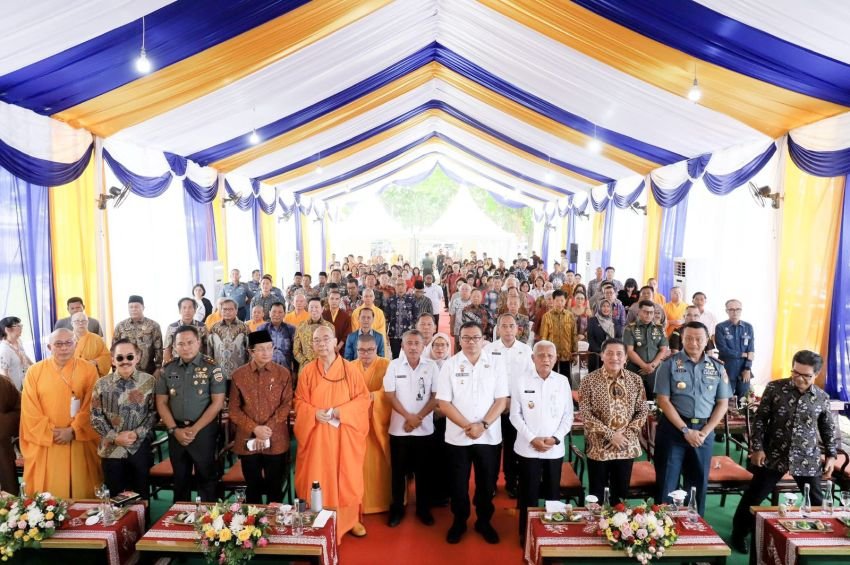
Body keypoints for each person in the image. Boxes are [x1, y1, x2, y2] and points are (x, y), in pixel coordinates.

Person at [729, 350, 836, 554]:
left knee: (816, 500)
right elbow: (760, 420)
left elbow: (827, 428)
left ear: (816, 375)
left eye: (806, 375)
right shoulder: (775, 388)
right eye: (795, 372)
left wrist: (831, 454)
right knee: (754, 496)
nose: (799, 378)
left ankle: (824, 539)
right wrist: (757, 448)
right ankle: (739, 533)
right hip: (773, 454)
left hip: (806, 457)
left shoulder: (821, 397)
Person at [294, 326, 371, 542]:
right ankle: (317, 517)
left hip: (344, 435)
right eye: (317, 340)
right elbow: (299, 402)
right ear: (312, 345)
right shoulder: (308, 371)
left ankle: (349, 519)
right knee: (318, 475)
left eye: (326, 339)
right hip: (316, 434)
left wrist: (341, 412)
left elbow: (363, 400)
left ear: (336, 341)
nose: (322, 344)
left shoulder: (350, 370)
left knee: (347, 475)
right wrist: (313, 413)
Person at [436, 322, 508, 545]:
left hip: (489, 436)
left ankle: (484, 521)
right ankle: (459, 521)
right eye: (466, 338)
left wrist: (483, 425)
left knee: (487, 483)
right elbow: (443, 403)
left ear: (483, 338)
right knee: (458, 483)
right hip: (458, 437)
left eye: (475, 337)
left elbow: (501, 401)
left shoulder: (495, 364)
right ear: (459, 339)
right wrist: (468, 426)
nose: (471, 342)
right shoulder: (450, 365)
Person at [654, 322, 731, 515]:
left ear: (707, 341)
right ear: (682, 339)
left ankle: (694, 527)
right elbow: (663, 400)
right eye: (688, 338)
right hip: (673, 430)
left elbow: (723, 403)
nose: (693, 343)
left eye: (699, 339)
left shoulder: (717, 367)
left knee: (697, 482)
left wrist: (705, 432)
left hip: (703, 433)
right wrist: (685, 430)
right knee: (667, 483)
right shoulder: (668, 364)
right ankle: (663, 527)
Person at [20, 329, 102, 498]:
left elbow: (92, 405)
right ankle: (48, 517)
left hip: (78, 439)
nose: (64, 348)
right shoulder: (34, 372)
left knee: (82, 490)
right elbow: (29, 410)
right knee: (49, 495)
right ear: (50, 347)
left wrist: (73, 430)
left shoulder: (88, 370)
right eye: (58, 344)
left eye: (68, 343)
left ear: (76, 345)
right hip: (48, 442)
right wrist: (52, 433)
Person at [510, 340, 573, 547]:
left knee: (553, 494)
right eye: (541, 355)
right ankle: (525, 534)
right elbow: (515, 416)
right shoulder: (521, 381)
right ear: (533, 358)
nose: (546, 359)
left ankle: (552, 533)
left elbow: (568, 416)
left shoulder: (563, 381)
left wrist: (555, 438)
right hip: (528, 449)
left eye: (550, 356)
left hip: (554, 449)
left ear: (555, 358)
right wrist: (532, 438)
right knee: (528, 494)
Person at [156, 325, 225, 502]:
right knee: (180, 479)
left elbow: (217, 403)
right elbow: (161, 402)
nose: (185, 347)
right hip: (176, 431)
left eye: (189, 343)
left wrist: (195, 429)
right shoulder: (167, 369)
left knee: (207, 478)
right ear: (174, 346)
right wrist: (174, 430)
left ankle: (209, 523)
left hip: (203, 432)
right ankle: (181, 522)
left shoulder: (212, 367)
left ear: (198, 343)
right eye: (181, 344)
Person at [579, 338, 647, 506]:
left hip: (626, 446)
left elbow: (643, 410)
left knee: (620, 497)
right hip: (599, 447)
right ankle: (596, 528)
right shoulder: (589, 380)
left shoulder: (635, 380)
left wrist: (625, 436)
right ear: (602, 355)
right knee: (596, 496)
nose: (614, 357)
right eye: (609, 353)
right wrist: (610, 435)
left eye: (619, 354)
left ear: (626, 358)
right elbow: (585, 414)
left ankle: (618, 529)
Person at [229, 330, 292, 504]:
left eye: (269, 348)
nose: (266, 353)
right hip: (248, 440)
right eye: (261, 349)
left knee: (275, 487)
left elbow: (287, 404)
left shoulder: (283, 373)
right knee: (253, 488)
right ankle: (253, 527)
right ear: (251, 351)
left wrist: (267, 428)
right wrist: (255, 429)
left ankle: (275, 526)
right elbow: (233, 409)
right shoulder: (239, 375)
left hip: (276, 438)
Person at [385, 330, 439, 526]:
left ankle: (423, 509)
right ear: (403, 346)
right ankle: (397, 509)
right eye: (409, 343)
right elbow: (389, 395)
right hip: (400, 429)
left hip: (424, 430)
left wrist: (419, 418)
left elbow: (436, 397)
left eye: (417, 343)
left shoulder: (432, 366)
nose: (413, 346)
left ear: (423, 345)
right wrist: (409, 418)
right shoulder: (394, 366)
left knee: (424, 472)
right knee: (398, 473)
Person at [90, 339, 156, 499]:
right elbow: (95, 416)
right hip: (111, 449)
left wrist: (137, 434)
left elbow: (154, 412)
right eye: (120, 358)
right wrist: (115, 437)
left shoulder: (149, 381)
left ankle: (143, 524)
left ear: (137, 357)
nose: (125, 361)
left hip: (138, 446)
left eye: (129, 357)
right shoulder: (101, 384)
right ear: (112, 360)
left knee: (141, 496)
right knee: (115, 497)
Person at [484, 313, 533, 499]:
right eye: (504, 326)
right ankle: (491, 483)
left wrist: (514, 401)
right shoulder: (489, 350)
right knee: (494, 446)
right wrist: (500, 401)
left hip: (516, 405)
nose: (508, 330)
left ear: (517, 329)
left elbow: (529, 379)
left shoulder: (526, 350)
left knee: (514, 446)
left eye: (511, 326)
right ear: (498, 329)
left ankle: (512, 482)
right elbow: (486, 379)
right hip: (495, 405)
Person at [353, 334, 392, 515]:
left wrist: (373, 397)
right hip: (356, 426)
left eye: (370, 350)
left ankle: (384, 501)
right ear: (356, 350)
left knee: (380, 466)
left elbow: (389, 393)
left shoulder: (387, 365)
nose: (366, 353)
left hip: (379, 425)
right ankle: (358, 502)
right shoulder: (350, 367)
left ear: (377, 348)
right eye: (361, 350)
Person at [623, 300, 670, 400]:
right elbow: (629, 351)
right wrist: (644, 366)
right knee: (633, 399)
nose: (648, 315)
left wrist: (652, 366)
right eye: (645, 312)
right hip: (635, 369)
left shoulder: (659, 329)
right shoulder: (630, 328)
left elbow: (663, 349)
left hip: (655, 370)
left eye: (651, 312)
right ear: (639, 312)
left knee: (653, 400)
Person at [113, 295, 163, 377]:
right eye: (131, 307)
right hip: (125, 370)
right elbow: (114, 349)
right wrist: (115, 369)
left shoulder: (153, 325)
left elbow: (158, 348)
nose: (133, 309)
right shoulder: (121, 326)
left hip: (148, 370)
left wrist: (158, 368)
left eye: (136, 307)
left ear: (143, 307)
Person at [714, 299, 755, 399]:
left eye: (738, 309)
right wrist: (742, 354)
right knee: (725, 399)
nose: (735, 312)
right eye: (731, 309)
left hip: (743, 370)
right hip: (727, 369)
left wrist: (747, 368)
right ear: (726, 311)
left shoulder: (748, 327)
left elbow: (751, 350)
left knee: (743, 399)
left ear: (741, 310)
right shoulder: (720, 327)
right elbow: (722, 349)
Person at [207, 298, 249, 380]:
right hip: (218, 374)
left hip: (239, 373)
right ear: (220, 311)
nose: (227, 312)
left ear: (236, 311)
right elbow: (209, 351)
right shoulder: (214, 328)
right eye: (225, 309)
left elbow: (250, 351)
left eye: (230, 309)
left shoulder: (245, 328)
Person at [538, 290, 577, 377]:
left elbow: (573, 335)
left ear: (565, 301)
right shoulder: (546, 316)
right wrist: (545, 353)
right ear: (553, 300)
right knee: (551, 377)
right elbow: (543, 337)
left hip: (567, 353)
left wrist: (574, 353)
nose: (559, 303)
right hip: (551, 354)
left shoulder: (570, 316)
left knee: (566, 378)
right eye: (557, 300)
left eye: (562, 300)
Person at [294, 298, 336, 373]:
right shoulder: (301, 326)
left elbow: (332, 349)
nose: (314, 309)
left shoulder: (330, 327)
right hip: (306, 368)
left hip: (325, 367)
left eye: (316, 307)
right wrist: (305, 362)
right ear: (308, 309)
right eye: (311, 307)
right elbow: (296, 350)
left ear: (322, 309)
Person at [163, 297, 209, 365]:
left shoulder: (202, 327)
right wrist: (168, 367)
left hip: (198, 364)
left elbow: (207, 347)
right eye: (184, 308)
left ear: (195, 310)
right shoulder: (172, 327)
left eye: (190, 307)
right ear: (179, 311)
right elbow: (167, 349)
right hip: (177, 364)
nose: (187, 310)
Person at [351, 289, 389, 358]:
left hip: (376, 345)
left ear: (374, 297)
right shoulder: (356, 312)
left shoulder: (379, 312)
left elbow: (381, 331)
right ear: (362, 297)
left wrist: (372, 342)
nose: (368, 298)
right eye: (366, 296)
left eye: (370, 296)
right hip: (361, 345)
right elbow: (355, 330)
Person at [386, 279, 419, 358]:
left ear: (406, 286)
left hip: (408, 335)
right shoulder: (390, 300)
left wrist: (416, 333)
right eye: (398, 285)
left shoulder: (412, 300)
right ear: (395, 287)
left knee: (409, 357)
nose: (400, 287)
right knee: (395, 357)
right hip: (394, 335)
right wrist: (385, 333)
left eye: (402, 285)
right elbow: (386, 318)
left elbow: (417, 318)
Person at [258, 302, 296, 372]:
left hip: (285, 370)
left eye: (280, 312)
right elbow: (256, 352)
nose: (276, 315)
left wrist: (295, 372)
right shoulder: (261, 329)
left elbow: (295, 352)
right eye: (274, 312)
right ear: (269, 313)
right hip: (265, 370)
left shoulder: (291, 329)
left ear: (284, 314)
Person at [71, 312, 111, 377]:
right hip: (71, 376)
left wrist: (95, 362)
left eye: (84, 321)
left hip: (92, 376)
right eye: (77, 321)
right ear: (72, 323)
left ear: (87, 323)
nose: (81, 323)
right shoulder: (67, 339)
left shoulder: (96, 339)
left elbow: (107, 357)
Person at [0, 369, 20, 494]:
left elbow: (22, 410)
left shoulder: (2, 383)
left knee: (8, 506)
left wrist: (3, 423)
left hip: (2, 455)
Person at [0, 317, 33, 390]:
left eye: (21, 325)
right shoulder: (4, 349)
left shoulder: (18, 341)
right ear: (7, 330)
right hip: (15, 388)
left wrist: (34, 366)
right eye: (18, 325)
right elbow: (4, 373)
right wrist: (12, 389)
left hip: (25, 382)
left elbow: (24, 355)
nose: (21, 327)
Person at [586, 299, 616, 373]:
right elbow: (590, 339)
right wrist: (600, 352)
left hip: (610, 356)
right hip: (596, 355)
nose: (606, 308)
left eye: (608, 306)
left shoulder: (613, 322)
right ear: (599, 308)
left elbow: (617, 338)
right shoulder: (592, 320)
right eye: (603, 306)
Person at [322, 289, 351, 354]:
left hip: (340, 349)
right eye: (332, 298)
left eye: (337, 299)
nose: (334, 301)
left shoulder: (345, 316)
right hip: (325, 348)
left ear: (340, 301)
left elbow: (347, 334)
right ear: (328, 300)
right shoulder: (323, 315)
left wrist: (338, 347)